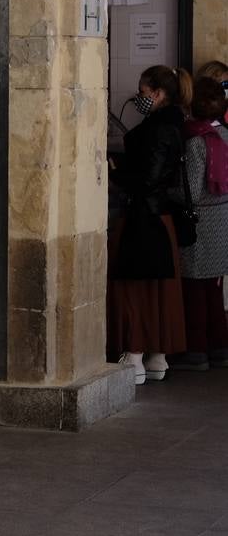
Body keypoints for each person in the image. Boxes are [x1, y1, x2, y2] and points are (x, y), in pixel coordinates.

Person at [109, 65, 188, 384]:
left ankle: (135, 355)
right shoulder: (170, 125)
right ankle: (157, 357)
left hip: (145, 218)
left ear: (157, 94)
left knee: (135, 289)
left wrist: (115, 172)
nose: (138, 97)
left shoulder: (159, 129)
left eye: (142, 92)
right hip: (160, 218)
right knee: (159, 290)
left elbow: (148, 178)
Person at [172, 77, 228, 370]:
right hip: (223, 222)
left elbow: (190, 192)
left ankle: (196, 353)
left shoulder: (195, 142)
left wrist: (168, 191)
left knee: (194, 291)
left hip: (201, 226)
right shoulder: (226, 136)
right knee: (214, 292)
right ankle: (220, 349)